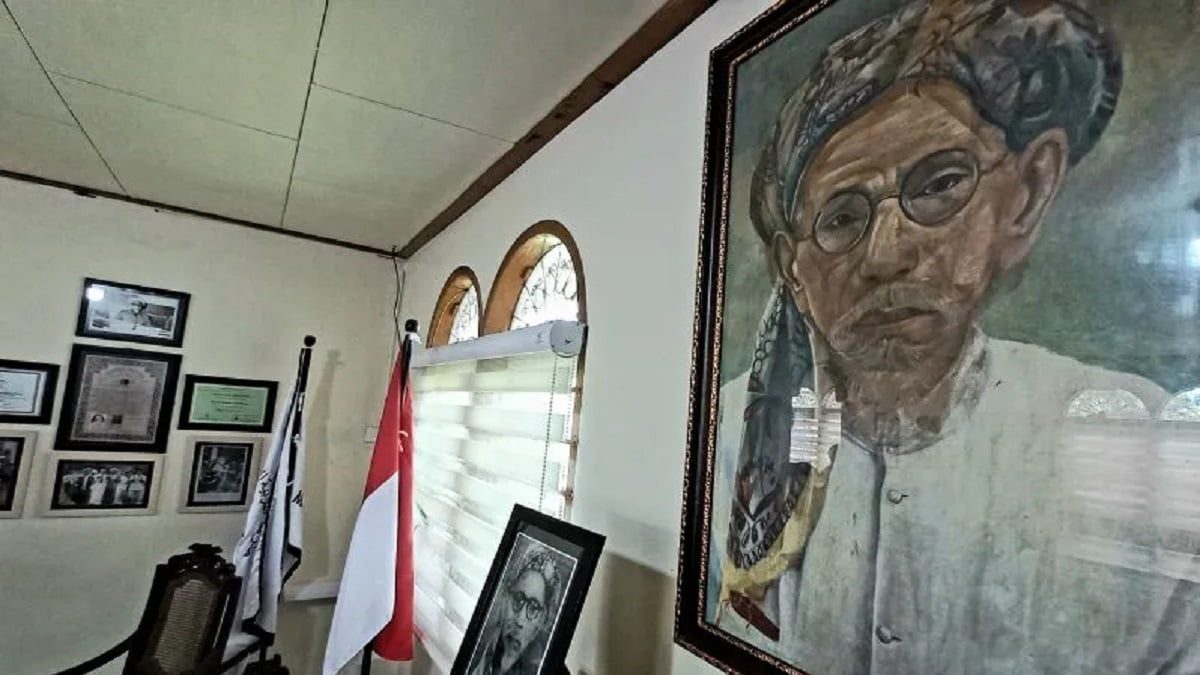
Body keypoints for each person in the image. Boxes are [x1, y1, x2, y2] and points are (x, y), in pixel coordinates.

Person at [715, 1, 1200, 673]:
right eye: (843, 218)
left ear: (1027, 192)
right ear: (793, 270)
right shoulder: (732, 435)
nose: (887, 254)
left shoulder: (1149, 447)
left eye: (939, 184)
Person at [468, 547, 563, 675]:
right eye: (518, 599)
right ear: (506, 598)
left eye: (533, 608)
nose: (519, 620)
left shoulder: (538, 667)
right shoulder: (481, 650)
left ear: (542, 619)